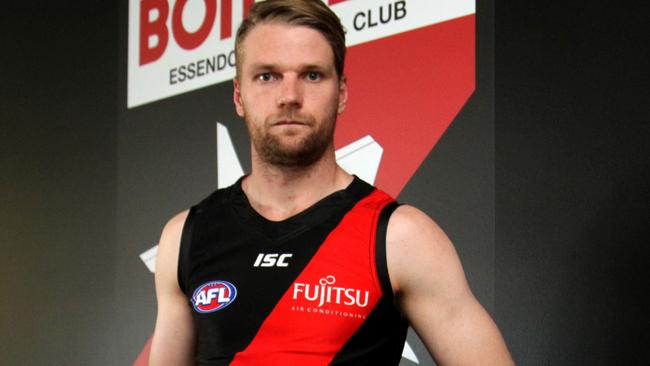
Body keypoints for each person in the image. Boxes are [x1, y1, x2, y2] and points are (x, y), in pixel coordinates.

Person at [149, 1, 514, 365]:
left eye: (311, 75)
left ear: (341, 93)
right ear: (238, 96)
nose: (289, 97)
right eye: (267, 76)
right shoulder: (185, 236)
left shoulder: (400, 237)